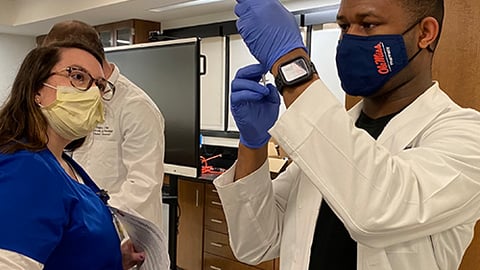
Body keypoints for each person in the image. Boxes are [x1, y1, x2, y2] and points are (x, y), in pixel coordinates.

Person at [213, 0, 480, 269]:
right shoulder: (332, 132)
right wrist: (253, 144)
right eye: (344, 26)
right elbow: (256, 243)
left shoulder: (465, 137)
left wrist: (290, 65)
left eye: (368, 24)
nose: (350, 38)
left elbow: (375, 211)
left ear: (425, 33)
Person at [0, 41, 145, 269]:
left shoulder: (62, 163)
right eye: (77, 77)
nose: (93, 93)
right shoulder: (26, 169)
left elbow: (66, 247)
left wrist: (112, 257)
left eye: (100, 85)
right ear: (37, 88)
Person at [42, 20, 166, 229]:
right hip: (79, 226)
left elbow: (143, 185)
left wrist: (90, 215)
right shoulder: (69, 99)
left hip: (121, 232)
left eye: (75, 74)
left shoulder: (136, 107)